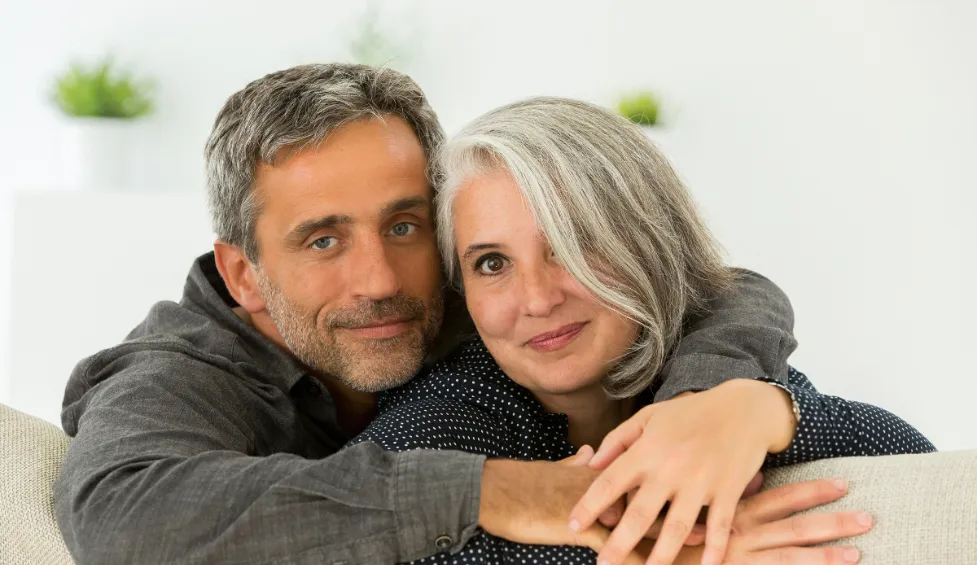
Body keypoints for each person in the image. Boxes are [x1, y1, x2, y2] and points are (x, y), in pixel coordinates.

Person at [54, 64, 876, 565]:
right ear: (244, 272)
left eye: (405, 223)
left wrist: (730, 402)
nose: (379, 279)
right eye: (322, 240)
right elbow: (120, 522)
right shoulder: (181, 374)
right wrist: (501, 493)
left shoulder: (473, 297)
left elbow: (707, 287)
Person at [349, 96, 935, 565]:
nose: (537, 298)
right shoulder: (441, 417)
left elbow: (915, 466)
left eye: (575, 244)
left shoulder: (704, 362)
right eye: (492, 263)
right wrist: (681, 552)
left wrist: (763, 410)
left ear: (652, 245)